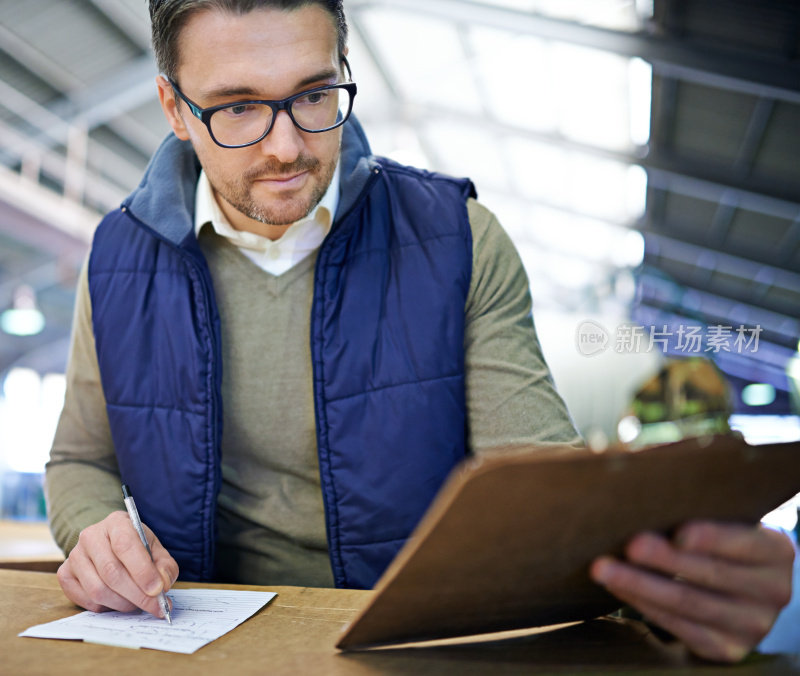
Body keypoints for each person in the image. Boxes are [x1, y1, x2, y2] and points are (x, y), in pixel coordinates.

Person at [44, 0, 794, 663]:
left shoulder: (457, 239)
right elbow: (80, 458)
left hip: (409, 648)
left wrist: (665, 588)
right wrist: (94, 530)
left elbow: (539, 490)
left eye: (314, 94)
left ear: (344, 66)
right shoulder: (118, 258)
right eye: (236, 108)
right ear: (174, 109)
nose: (285, 147)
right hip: (196, 648)